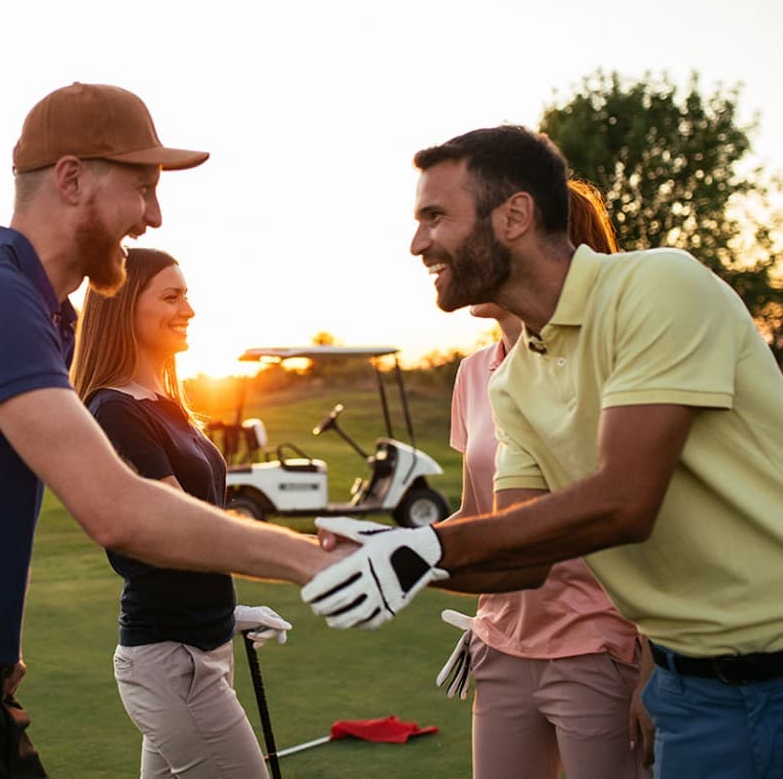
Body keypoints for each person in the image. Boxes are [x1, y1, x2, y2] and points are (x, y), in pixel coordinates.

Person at [0, 82, 340, 779]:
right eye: (143, 188)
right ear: (71, 179)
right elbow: (118, 510)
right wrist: (313, 561)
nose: (153, 216)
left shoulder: (28, 307)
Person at [302, 125, 783, 779]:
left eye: (435, 217)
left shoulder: (657, 286)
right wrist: (395, 553)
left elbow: (624, 502)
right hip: (691, 687)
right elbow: (518, 555)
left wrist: (430, 551)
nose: (417, 244)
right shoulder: (518, 376)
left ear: (515, 216)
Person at [440, 179, 652, 778]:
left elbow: (648, 521)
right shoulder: (474, 375)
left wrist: (653, 664)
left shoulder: (611, 367)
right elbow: (477, 515)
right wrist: (391, 548)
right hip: (500, 643)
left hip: (598, 645)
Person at [72, 247, 290, 778]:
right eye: (171, 296)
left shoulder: (166, 405)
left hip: (198, 651)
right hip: (174, 664)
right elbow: (179, 533)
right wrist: (307, 558)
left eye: (187, 295)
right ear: (124, 308)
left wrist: (227, 613)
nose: (187, 309)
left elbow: (191, 541)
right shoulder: (115, 411)